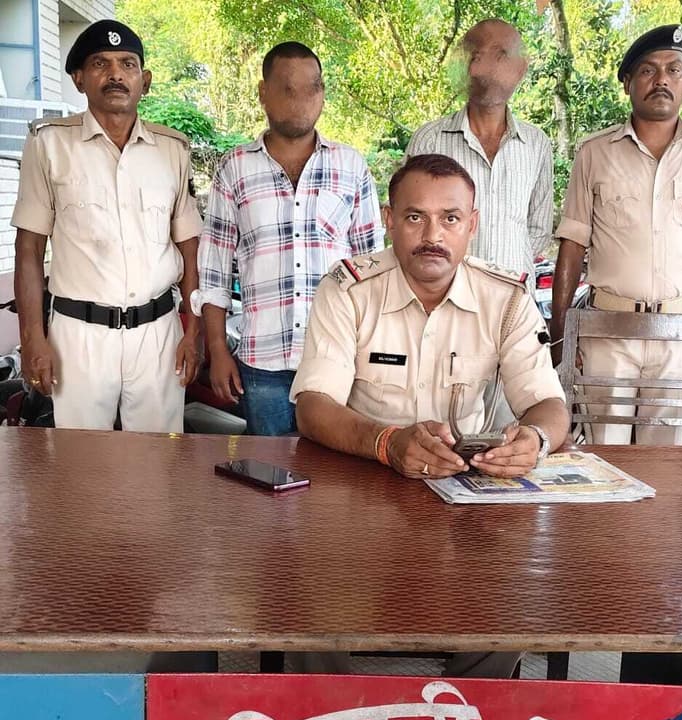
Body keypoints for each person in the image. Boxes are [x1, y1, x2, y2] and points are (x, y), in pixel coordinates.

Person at [290, 153, 569, 677]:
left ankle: (469, 712)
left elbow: (549, 405)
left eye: (451, 218)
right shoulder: (348, 290)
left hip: (464, 501)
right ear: (389, 220)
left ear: (472, 225)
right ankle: (327, 714)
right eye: (415, 217)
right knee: (313, 597)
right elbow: (313, 407)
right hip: (359, 490)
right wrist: (387, 442)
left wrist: (535, 439)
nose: (432, 236)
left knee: (508, 605)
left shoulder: (505, 298)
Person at [12, 19, 202, 432]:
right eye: (100, 63)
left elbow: (190, 249)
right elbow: (28, 249)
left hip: (158, 335)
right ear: (79, 79)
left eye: (127, 64)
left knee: (157, 459)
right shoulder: (49, 144)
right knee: (81, 460)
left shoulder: (172, 150)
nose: (116, 74)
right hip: (79, 338)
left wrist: (193, 332)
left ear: (144, 81)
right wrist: (32, 338)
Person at [551, 24, 682, 445]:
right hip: (608, 331)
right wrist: (562, 333)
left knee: (667, 461)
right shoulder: (594, 153)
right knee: (603, 456)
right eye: (649, 70)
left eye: (674, 70)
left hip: (681, 333)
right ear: (628, 83)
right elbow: (572, 245)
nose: (662, 80)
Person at [194, 41, 384, 436]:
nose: (300, 101)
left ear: (323, 93)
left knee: (335, 469)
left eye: (311, 88)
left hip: (337, 358)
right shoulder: (235, 168)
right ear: (263, 93)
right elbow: (213, 273)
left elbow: (374, 268)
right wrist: (217, 350)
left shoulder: (351, 166)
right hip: (262, 364)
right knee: (269, 469)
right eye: (287, 88)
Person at [406, 19, 553, 286]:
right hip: (445, 299)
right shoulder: (430, 140)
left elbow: (538, 230)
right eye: (476, 54)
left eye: (501, 55)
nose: (487, 66)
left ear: (520, 68)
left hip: (514, 298)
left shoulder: (536, 144)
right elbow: (410, 223)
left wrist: (505, 268)